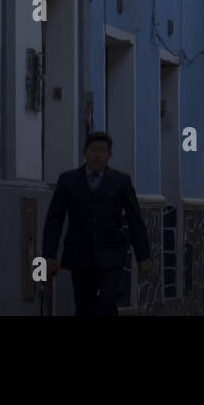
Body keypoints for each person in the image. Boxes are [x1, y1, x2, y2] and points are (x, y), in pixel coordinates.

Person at [42, 131, 152, 316]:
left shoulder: (120, 181)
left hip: (111, 254)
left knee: (107, 303)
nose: (97, 155)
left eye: (103, 151)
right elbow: (55, 218)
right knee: (84, 306)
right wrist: (49, 255)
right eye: (93, 150)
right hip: (79, 254)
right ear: (85, 153)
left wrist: (143, 256)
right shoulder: (68, 180)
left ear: (109, 155)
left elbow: (135, 219)